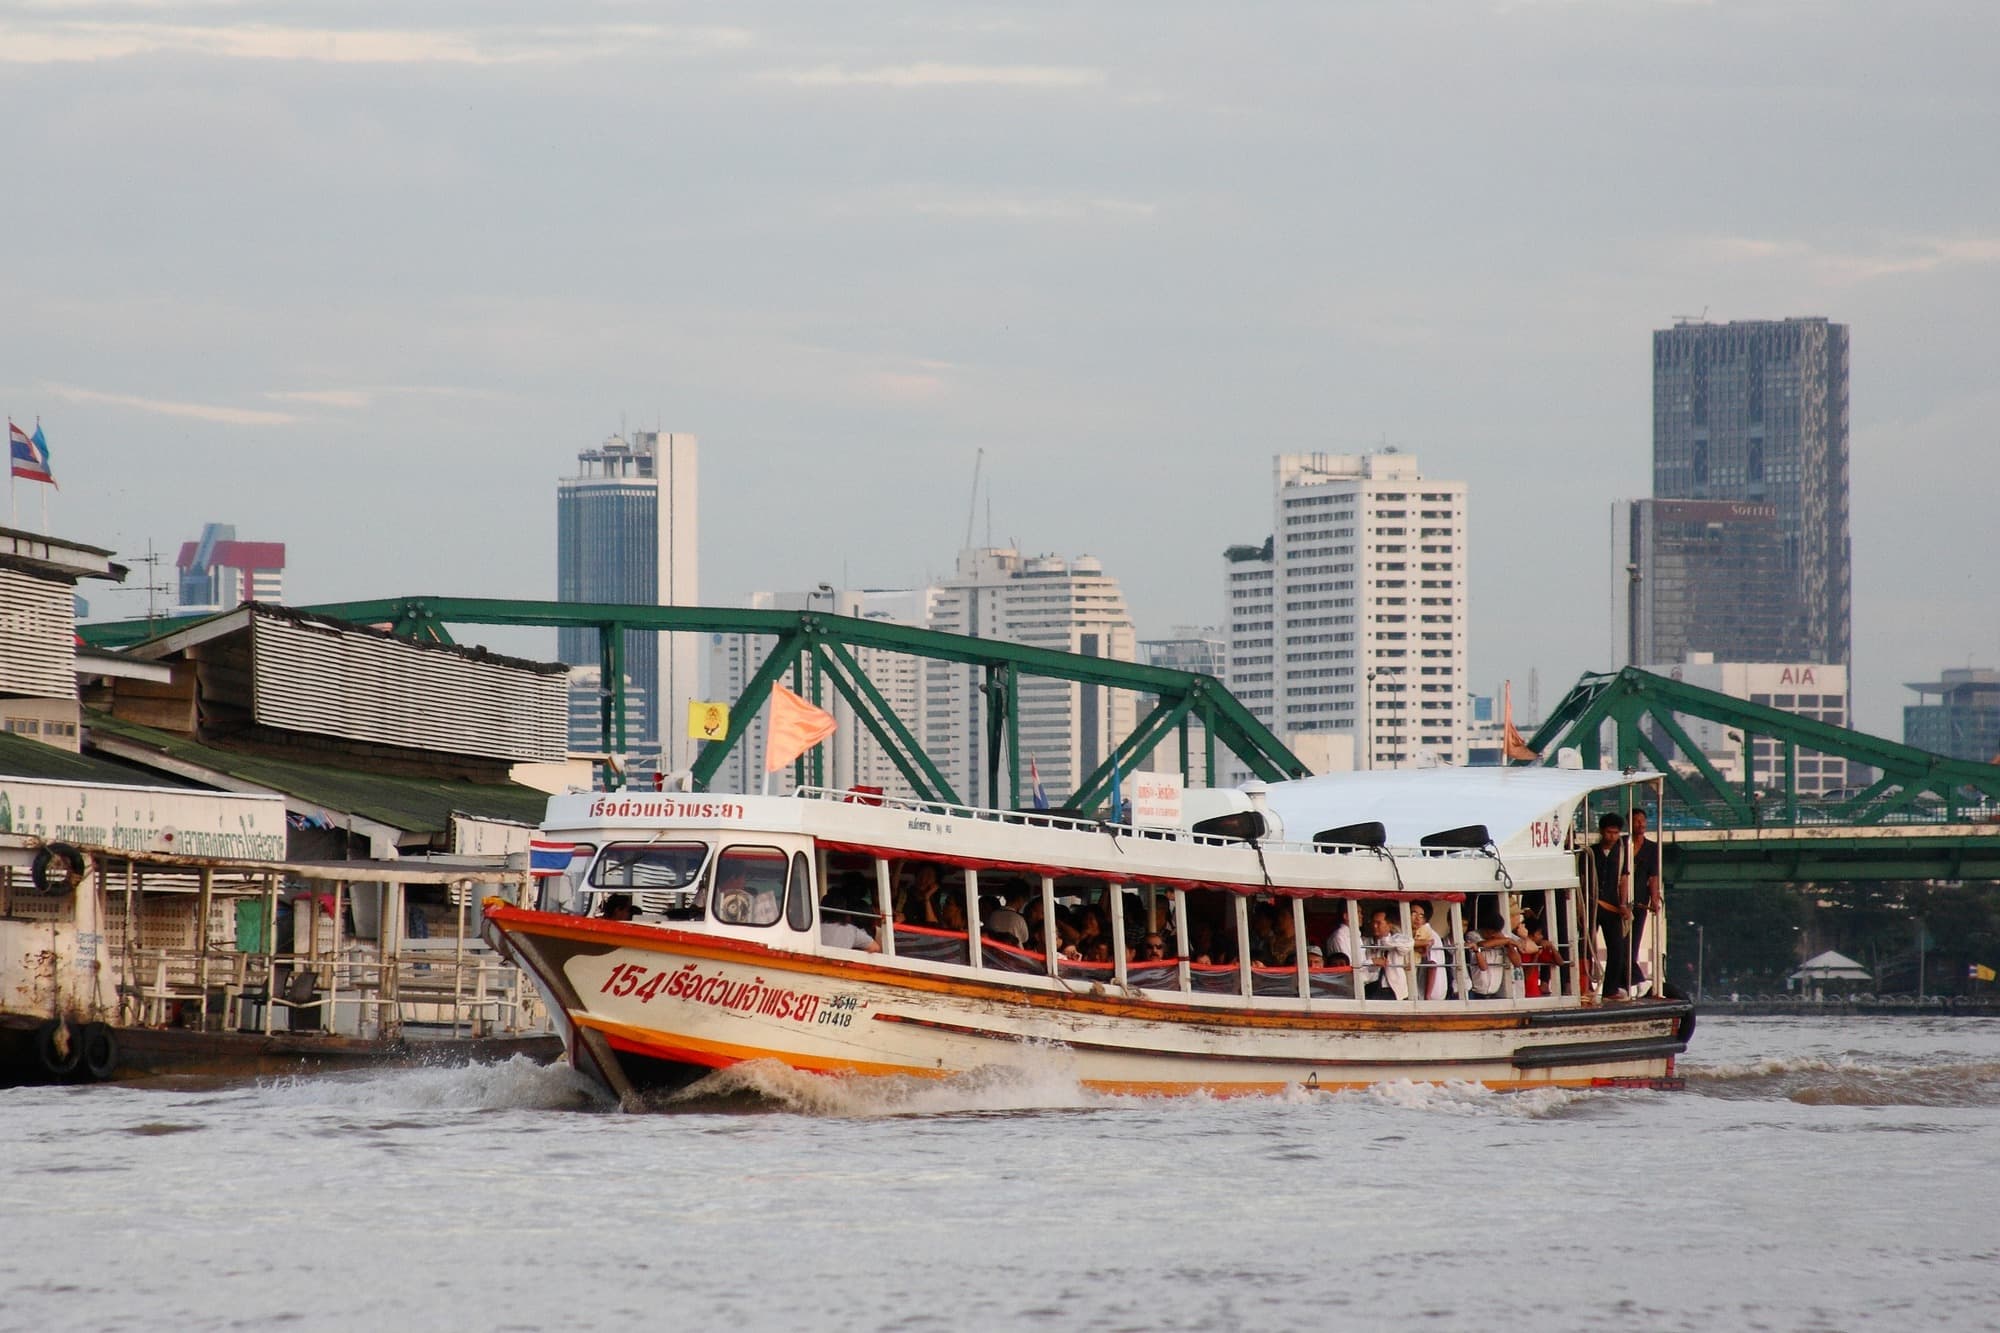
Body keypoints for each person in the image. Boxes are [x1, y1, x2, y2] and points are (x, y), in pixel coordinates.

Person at [1588, 812, 1633, 998]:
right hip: (1592, 906)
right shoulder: (1590, 853)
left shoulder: (1622, 853)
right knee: (1586, 946)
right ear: (1601, 831)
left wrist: (1623, 904)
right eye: (1609, 832)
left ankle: (1610, 989)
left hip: (1613, 907)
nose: (1612, 837)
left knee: (1617, 949)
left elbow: (1623, 879)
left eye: (1616, 833)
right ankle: (1585, 984)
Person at [1629, 808, 1664, 996]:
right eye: (1636, 821)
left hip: (1640, 901)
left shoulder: (1652, 848)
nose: (1641, 824)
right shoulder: (1622, 845)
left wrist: (1654, 898)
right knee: (1621, 944)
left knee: (1633, 943)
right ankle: (1636, 980)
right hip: (1619, 902)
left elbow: (1653, 876)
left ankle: (1635, 980)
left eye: (1643, 820)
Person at [1410, 902, 1448, 1000]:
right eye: (1413, 914)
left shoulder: (1429, 935)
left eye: (1421, 915)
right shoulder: (1419, 933)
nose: (1417, 918)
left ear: (1426, 918)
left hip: (1431, 993)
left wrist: (1427, 995)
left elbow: (1432, 965)